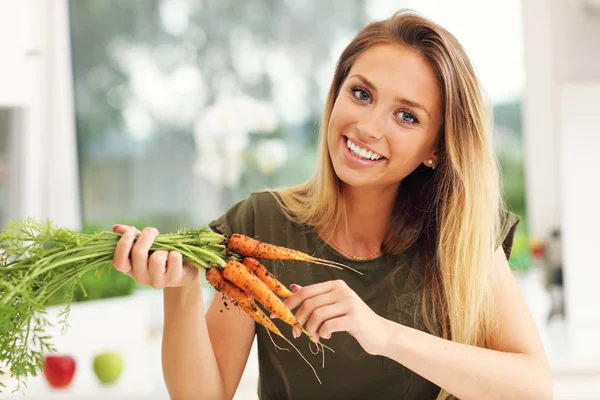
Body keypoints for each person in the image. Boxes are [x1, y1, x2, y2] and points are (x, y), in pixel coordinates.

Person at [112, 10, 552, 400]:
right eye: (361, 94)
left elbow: (532, 389)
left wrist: (383, 334)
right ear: (336, 94)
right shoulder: (259, 224)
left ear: (434, 148)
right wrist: (181, 290)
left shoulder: (462, 231)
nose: (367, 126)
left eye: (407, 116)